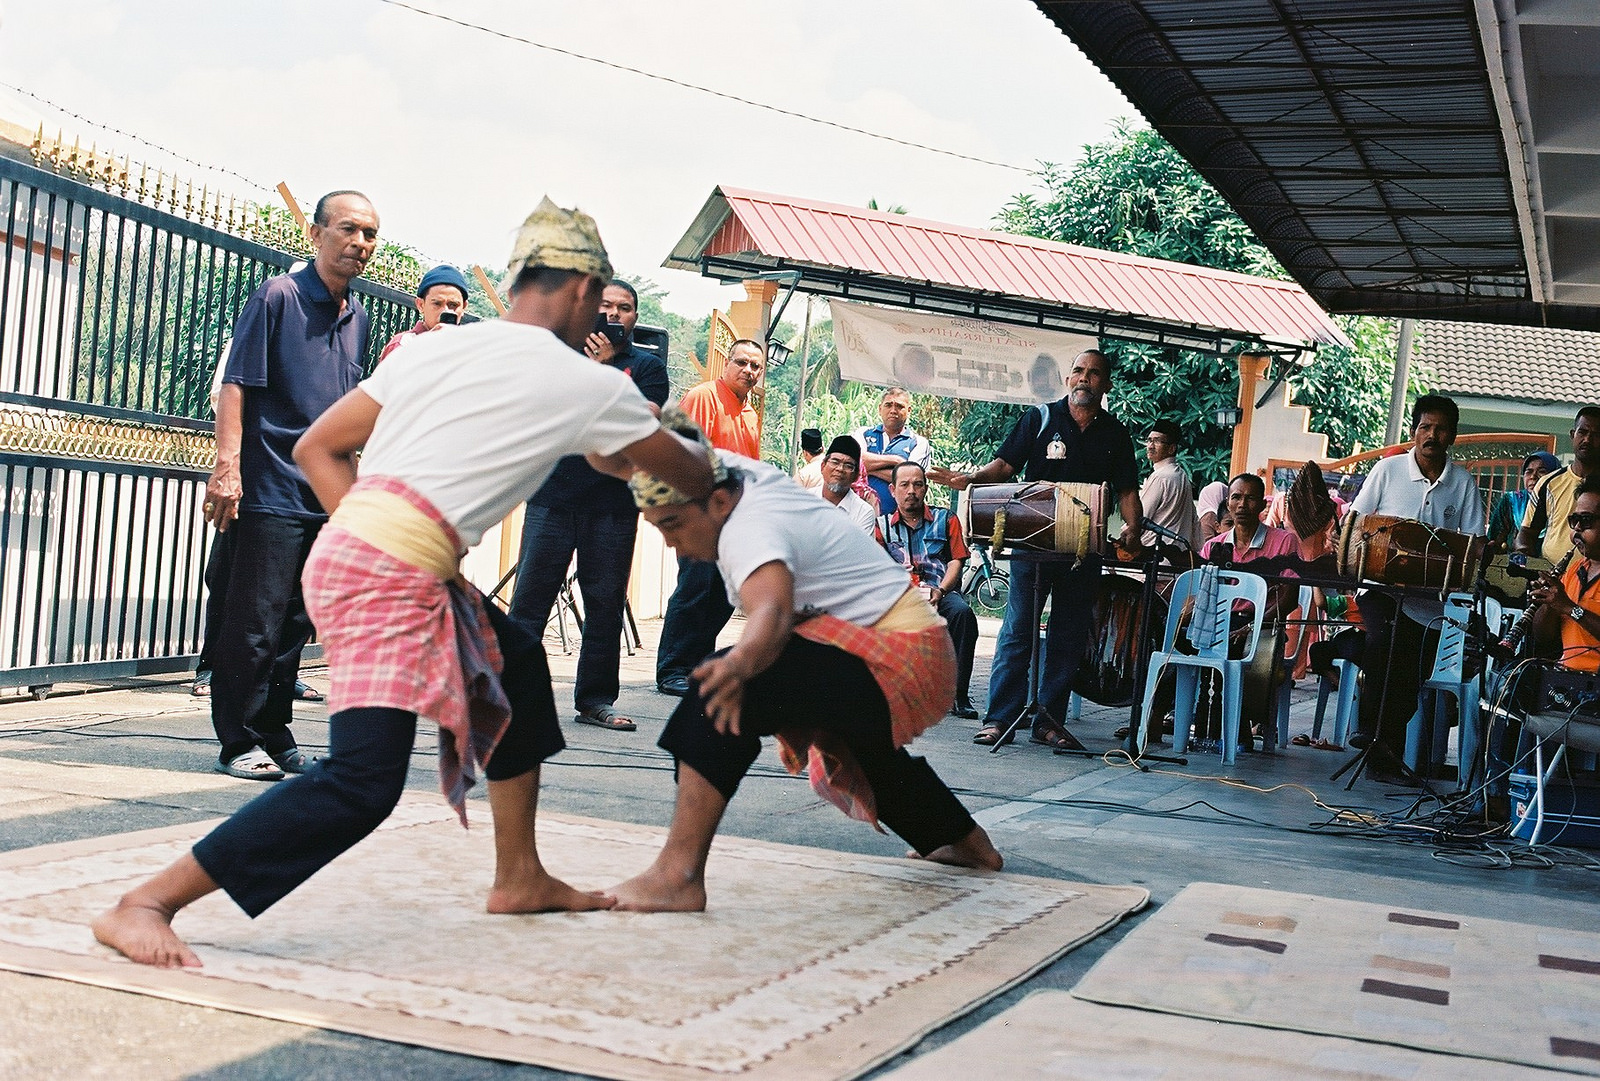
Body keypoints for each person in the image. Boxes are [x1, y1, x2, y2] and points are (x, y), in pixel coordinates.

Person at [91, 197, 715, 968]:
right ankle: (145, 902)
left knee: (516, 662)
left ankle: (520, 876)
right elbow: (690, 473)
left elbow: (318, 447)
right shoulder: (591, 382)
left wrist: (382, 532)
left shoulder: (431, 349)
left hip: (356, 548)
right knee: (362, 781)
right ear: (586, 290)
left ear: (517, 281)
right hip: (389, 571)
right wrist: (673, 441)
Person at [603, 423, 1002, 912]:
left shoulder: (747, 529)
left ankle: (677, 876)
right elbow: (621, 457)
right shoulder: (730, 472)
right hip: (910, 645)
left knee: (720, 694)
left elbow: (770, 612)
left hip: (897, 655)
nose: (669, 542)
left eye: (672, 525)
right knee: (862, 749)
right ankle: (968, 843)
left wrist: (741, 664)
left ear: (719, 504)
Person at [203, 191, 378, 781]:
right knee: (255, 621)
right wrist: (228, 467)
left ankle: (275, 734)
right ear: (316, 233)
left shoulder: (357, 317)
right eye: (348, 229)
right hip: (269, 487)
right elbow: (236, 384)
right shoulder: (278, 296)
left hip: (322, 495)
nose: (360, 243)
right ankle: (238, 740)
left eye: (369, 234)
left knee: (295, 625)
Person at [930, 349, 1142, 749]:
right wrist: (970, 478)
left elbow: (1127, 491)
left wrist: (1134, 527)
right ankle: (999, 719)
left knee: (1068, 637)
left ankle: (1048, 722)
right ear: (1068, 379)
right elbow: (1004, 468)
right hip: (1032, 545)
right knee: (1017, 632)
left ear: (1107, 384)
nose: (1084, 378)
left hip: (1083, 550)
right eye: (1078, 371)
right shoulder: (1041, 418)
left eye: (1094, 373)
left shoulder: (1115, 433)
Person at [510, 279, 670, 732]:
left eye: (625, 307)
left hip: (614, 504)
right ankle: (511, 695)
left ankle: (595, 700)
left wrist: (602, 376)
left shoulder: (648, 366)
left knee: (604, 605)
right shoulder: (560, 355)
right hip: (553, 497)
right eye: (606, 305)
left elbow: (642, 423)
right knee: (530, 601)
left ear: (635, 317)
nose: (614, 314)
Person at [1347, 394, 1485, 781]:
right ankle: (1372, 734)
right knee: (1385, 641)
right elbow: (1356, 522)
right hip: (1379, 588)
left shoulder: (1462, 483)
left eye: (1440, 429)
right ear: (1413, 431)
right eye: (1425, 427)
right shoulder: (1388, 469)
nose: (1432, 436)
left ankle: (1381, 748)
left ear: (1452, 436)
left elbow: (1474, 542)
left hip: (1429, 601)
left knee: (1412, 670)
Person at [655, 339, 764, 696]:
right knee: (695, 589)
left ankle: (696, 667)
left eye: (756, 366)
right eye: (742, 362)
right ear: (726, 364)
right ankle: (673, 668)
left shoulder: (750, 413)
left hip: (731, 517)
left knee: (720, 595)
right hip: (697, 512)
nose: (748, 371)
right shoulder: (704, 397)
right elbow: (686, 452)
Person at [877, 462, 981, 720]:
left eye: (917, 484)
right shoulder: (882, 526)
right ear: (893, 490)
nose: (911, 491)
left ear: (925, 488)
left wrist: (941, 590)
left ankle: (958, 695)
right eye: (904, 485)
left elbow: (956, 560)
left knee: (962, 614)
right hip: (899, 596)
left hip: (940, 592)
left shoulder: (947, 519)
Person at [1526, 476, 1600, 674]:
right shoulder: (1575, 570)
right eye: (1574, 520)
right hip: (1567, 678)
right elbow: (1543, 637)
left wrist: (1569, 607)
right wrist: (1549, 604)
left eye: (1586, 520)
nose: (1577, 528)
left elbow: (1568, 608)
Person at [1515, 409, 1599, 563]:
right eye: (1582, 432)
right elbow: (1527, 532)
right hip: (1550, 572)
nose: (1587, 439)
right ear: (1573, 435)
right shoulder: (1548, 483)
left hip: (1594, 576)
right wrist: (1523, 553)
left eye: (1596, 435)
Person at [856, 387, 932, 516]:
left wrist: (866, 469)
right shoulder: (863, 433)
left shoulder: (918, 443)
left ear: (908, 410)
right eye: (888, 405)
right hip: (859, 515)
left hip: (897, 520)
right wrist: (897, 461)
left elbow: (909, 479)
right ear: (880, 409)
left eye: (899, 406)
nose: (893, 410)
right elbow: (855, 461)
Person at [377, 264, 472, 361]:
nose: (445, 311)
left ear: (464, 307)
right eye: (437, 304)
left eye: (453, 305)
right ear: (421, 305)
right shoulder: (403, 346)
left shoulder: (469, 351)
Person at [1140, 419, 1202, 549]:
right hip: (1178, 554)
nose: (1150, 446)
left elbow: (1140, 519)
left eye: (1157, 441)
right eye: (1149, 440)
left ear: (1171, 448)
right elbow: (1194, 521)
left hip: (1155, 552)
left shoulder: (1160, 477)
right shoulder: (1182, 475)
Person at [1489, 451, 1558, 554]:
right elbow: (1494, 540)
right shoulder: (1512, 500)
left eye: (1541, 471)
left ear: (1555, 476)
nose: (1533, 476)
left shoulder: (1561, 503)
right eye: (1528, 472)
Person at [816, 435, 878, 534]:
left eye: (848, 466)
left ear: (856, 476)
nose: (840, 469)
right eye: (835, 462)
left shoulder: (863, 512)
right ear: (823, 466)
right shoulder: (804, 500)